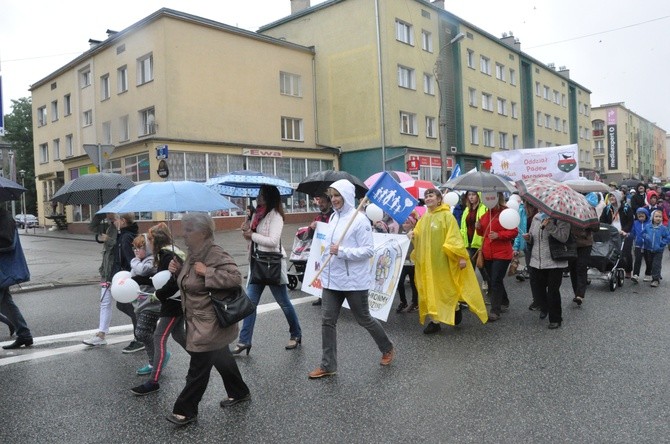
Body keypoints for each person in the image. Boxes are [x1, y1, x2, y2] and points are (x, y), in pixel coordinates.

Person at [165, 213, 250, 426]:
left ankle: (185, 409)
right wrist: (176, 273)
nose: (184, 234)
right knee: (222, 357)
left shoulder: (214, 254)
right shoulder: (191, 255)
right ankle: (239, 392)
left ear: (202, 233)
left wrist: (208, 271)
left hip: (209, 322)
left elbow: (235, 278)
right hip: (196, 320)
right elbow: (190, 286)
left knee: (198, 367)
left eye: (188, 230)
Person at [308, 179, 395, 379]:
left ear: (346, 196)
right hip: (332, 280)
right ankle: (328, 365)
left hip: (354, 281)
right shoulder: (332, 219)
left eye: (338, 196)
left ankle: (387, 347)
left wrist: (342, 251)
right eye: (332, 196)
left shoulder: (360, 220)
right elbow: (329, 249)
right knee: (327, 321)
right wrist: (322, 265)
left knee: (363, 318)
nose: (334, 200)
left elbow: (367, 251)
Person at [233, 184, 302, 354]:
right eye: (258, 194)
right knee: (250, 304)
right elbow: (252, 239)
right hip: (257, 264)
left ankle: (296, 334)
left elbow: (272, 241)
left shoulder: (276, 216)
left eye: (262, 194)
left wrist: (252, 235)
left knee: (284, 303)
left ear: (270, 197)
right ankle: (244, 341)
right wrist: (247, 230)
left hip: (272, 265)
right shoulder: (257, 214)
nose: (258, 197)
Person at [410, 188, 488, 334]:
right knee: (430, 289)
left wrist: (460, 257)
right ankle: (435, 321)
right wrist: (413, 233)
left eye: (431, 195)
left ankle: (455, 307)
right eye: (426, 196)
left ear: (439, 199)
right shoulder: (425, 218)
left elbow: (454, 238)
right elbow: (419, 233)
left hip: (444, 262)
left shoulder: (447, 216)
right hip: (428, 263)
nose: (428, 198)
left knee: (447, 288)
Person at [131, 222, 187, 396]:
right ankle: (204, 359)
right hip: (175, 301)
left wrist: (159, 295)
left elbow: (171, 282)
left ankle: (154, 381)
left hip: (173, 304)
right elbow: (159, 279)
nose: (148, 243)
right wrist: (139, 281)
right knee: (179, 335)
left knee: (159, 337)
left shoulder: (167, 255)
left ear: (156, 240)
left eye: (150, 239)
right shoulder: (168, 253)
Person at [523, 211, 571, 329]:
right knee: (539, 288)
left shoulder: (562, 218)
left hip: (555, 261)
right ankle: (545, 307)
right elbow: (533, 236)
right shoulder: (536, 217)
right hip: (537, 260)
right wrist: (528, 238)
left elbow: (563, 237)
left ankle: (555, 319)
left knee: (553, 291)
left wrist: (550, 226)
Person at [475, 193, 518, 321]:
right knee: (493, 280)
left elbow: (514, 231)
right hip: (488, 252)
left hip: (502, 253)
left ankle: (495, 310)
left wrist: (499, 235)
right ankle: (504, 300)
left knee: (495, 281)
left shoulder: (506, 213)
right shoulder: (485, 214)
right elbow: (483, 233)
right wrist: (478, 228)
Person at [0, 207, 33, 349]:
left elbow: (7, 242)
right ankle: (24, 334)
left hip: (3, 269)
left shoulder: (4, 218)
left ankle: (23, 333)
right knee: (6, 303)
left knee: (6, 303)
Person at [83, 213, 117, 346]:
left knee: (128, 304)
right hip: (107, 271)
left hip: (116, 271)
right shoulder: (109, 225)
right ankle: (101, 334)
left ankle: (142, 331)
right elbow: (92, 227)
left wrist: (107, 239)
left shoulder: (122, 227)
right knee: (105, 301)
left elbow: (116, 245)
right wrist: (100, 214)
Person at [112, 213, 144, 353]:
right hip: (125, 277)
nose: (113, 222)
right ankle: (142, 332)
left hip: (127, 278)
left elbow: (131, 260)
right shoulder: (127, 235)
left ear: (123, 221)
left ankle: (141, 337)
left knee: (129, 307)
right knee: (127, 306)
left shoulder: (125, 237)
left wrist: (128, 277)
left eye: (115, 219)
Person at [128, 234, 159, 378]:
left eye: (140, 248)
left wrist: (134, 261)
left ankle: (158, 358)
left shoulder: (151, 260)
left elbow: (143, 270)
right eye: (134, 248)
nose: (136, 251)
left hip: (151, 303)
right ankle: (154, 361)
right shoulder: (140, 260)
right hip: (140, 303)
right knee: (148, 333)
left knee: (141, 333)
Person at [459, 191, 490, 293]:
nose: (471, 197)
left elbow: (487, 225)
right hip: (468, 242)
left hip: (479, 242)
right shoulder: (467, 209)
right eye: (469, 195)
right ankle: (469, 292)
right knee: (469, 268)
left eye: (473, 195)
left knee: (482, 266)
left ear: (478, 196)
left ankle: (488, 283)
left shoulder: (484, 208)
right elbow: (463, 226)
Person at [600, 191, 634, 278]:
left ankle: (628, 270)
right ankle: (610, 268)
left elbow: (630, 221)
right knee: (610, 251)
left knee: (626, 252)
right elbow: (602, 220)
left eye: (614, 196)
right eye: (610, 196)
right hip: (611, 233)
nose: (612, 198)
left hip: (624, 233)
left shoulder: (626, 208)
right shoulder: (607, 208)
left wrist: (624, 230)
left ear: (618, 198)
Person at [309, 193, 334, 306]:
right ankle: (320, 296)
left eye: (323, 202)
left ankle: (333, 299)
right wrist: (311, 227)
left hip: (331, 250)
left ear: (329, 203)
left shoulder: (334, 216)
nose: (320, 204)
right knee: (319, 273)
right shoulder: (318, 217)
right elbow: (309, 235)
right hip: (319, 250)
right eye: (319, 202)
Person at [395, 212, 419, 313]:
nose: (405, 224)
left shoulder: (416, 233)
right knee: (400, 282)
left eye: (407, 222)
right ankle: (403, 301)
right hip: (403, 263)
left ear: (413, 224)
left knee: (414, 283)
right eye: (404, 223)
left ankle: (415, 302)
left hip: (413, 263)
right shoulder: (399, 233)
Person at [641, 209, 670, 288]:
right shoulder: (648, 226)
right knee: (650, 263)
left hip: (658, 250)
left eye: (660, 217)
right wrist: (646, 238)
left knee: (656, 264)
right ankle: (657, 274)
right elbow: (642, 233)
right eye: (656, 216)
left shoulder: (663, 228)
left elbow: (667, 237)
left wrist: (662, 243)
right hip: (649, 249)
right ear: (652, 217)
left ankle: (655, 280)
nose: (658, 218)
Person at [567, 225, 594, 306]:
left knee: (581, 267)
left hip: (585, 244)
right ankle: (576, 292)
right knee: (573, 268)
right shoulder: (569, 213)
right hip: (571, 243)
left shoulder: (588, 213)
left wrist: (587, 227)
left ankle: (580, 294)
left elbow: (596, 227)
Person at [630, 208, 651, 283]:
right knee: (637, 260)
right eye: (639, 216)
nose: (641, 217)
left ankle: (648, 274)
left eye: (642, 215)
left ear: (646, 216)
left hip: (647, 246)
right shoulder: (635, 223)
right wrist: (630, 236)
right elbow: (633, 232)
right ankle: (636, 275)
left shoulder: (649, 223)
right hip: (638, 245)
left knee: (648, 260)